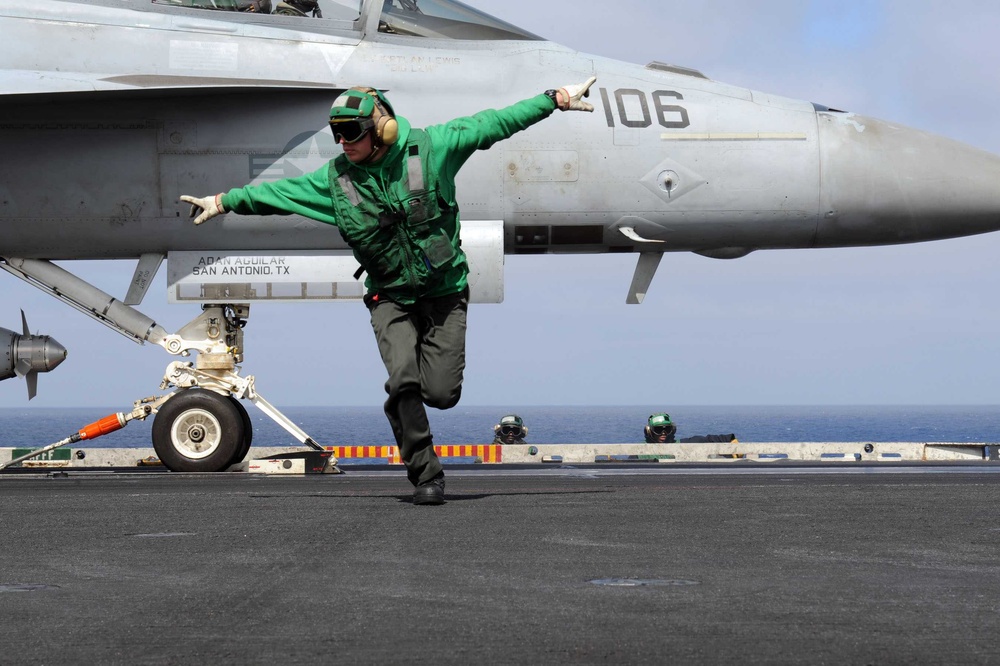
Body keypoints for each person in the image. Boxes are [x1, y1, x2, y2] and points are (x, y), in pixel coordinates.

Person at [181, 78, 597, 504]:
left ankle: (418, 403)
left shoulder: (434, 149)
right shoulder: (337, 182)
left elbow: (494, 123)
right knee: (403, 383)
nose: (342, 142)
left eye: (351, 132)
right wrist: (223, 201)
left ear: (382, 129)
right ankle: (426, 477)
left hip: (444, 293)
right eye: (335, 133)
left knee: (441, 394)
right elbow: (277, 194)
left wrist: (554, 100)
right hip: (390, 297)